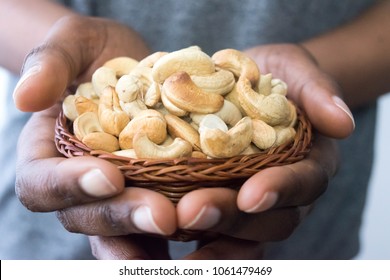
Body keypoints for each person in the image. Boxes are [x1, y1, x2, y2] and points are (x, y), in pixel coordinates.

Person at [0, 0, 389, 259]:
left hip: (304, 236)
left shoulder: (232, 101)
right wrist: (60, 54)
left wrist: (318, 76)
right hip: (44, 243)